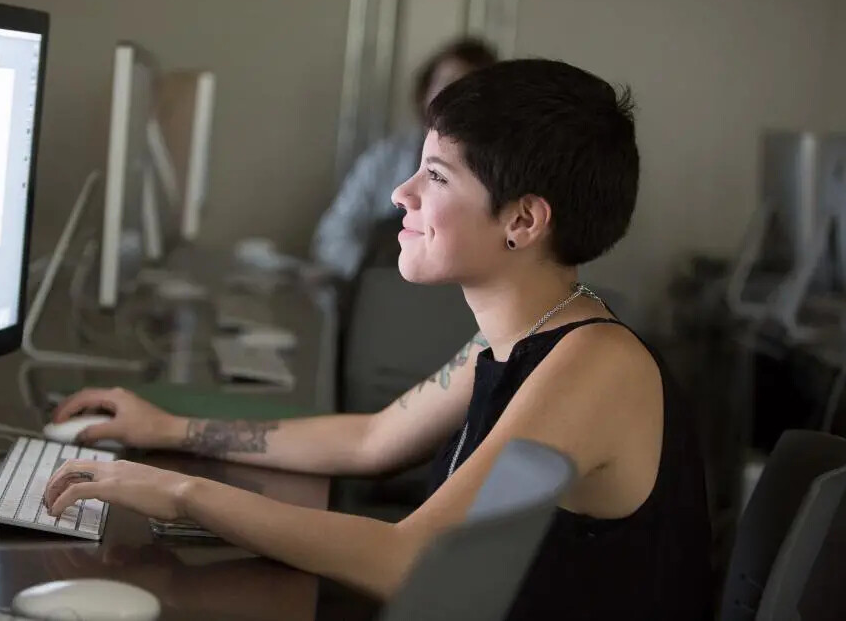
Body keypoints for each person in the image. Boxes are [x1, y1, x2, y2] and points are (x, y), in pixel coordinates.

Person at [44, 59, 713, 620]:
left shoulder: (597, 365)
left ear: (523, 220)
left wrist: (183, 493)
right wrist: (169, 429)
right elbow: (372, 440)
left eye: (438, 176)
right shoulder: (519, 337)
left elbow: (413, 562)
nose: (401, 192)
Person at [311, 37, 497, 280]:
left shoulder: (492, 170)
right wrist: (380, 272)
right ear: (425, 92)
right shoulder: (385, 158)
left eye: (466, 88)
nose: (453, 98)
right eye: (446, 83)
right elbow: (332, 236)